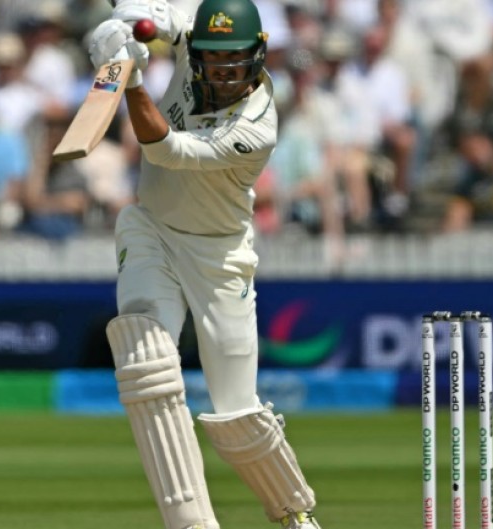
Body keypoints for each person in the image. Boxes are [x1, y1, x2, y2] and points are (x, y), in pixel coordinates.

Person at [88, 1, 322, 528]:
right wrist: (123, 30)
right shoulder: (192, 43)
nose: (222, 72)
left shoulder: (257, 125)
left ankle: (293, 515)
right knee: (146, 361)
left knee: (238, 414)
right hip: (152, 228)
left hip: (219, 255)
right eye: (213, 60)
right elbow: (160, 18)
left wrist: (126, 79)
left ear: (257, 56)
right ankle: (191, 523)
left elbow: (164, 150)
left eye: (234, 61)